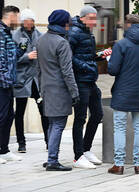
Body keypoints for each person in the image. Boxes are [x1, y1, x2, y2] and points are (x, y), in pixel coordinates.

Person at [107, 14, 139, 175]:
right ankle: (138, 165)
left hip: (122, 92)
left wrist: (109, 59)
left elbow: (113, 70)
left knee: (119, 128)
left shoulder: (121, 45)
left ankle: (119, 165)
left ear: (128, 25)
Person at [37, 9, 79, 171]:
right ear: (64, 24)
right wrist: (74, 92)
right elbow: (67, 71)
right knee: (58, 125)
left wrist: (41, 89)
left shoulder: (41, 40)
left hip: (47, 89)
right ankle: (53, 160)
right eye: (68, 23)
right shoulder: (62, 43)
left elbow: (38, 69)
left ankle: (51, 158)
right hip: (60, 90)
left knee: (52, 124)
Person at [69, 5, 110, 169]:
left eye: (95, 18)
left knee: (98, 113)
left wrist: (101, 54)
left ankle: (86, 149)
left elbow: (89, 56)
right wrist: (86, 67)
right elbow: (68, 58)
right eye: (92, 18)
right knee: (80, 118)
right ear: (83, 18)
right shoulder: (73, 32)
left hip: (90, 80)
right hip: (80, 81)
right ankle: (78, 156)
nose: (94, 22)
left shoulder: (87, 33)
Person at [12, 9, 48, 153]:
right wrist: (27, 56)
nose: (29, 23)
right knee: (19, 112)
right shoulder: (14, 36)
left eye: (31, 20)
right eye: (26, 20)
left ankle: (48, 141)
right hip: (21, 80)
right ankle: (21, 142)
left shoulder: (40, 36)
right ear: (22, 21)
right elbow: (11, 59)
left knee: (43, 110)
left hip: (36, 81)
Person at [0, 5, 23, 164]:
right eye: (18, 17)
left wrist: (22, 48)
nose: (19, 21)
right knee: (1, 117)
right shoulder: (1, 33)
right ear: (12, 15)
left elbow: (13, 56)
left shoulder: (8, 33)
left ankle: (4, 150)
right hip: (2, 83)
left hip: (8, 83)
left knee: (9, 116)